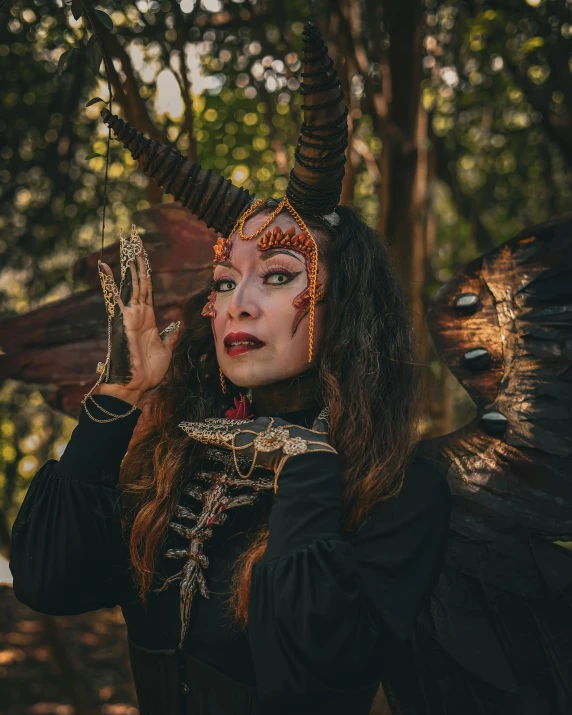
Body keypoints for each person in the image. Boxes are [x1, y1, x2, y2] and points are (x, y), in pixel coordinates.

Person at [10, 23, 451, 715]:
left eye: (275, 276)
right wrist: (118, 397)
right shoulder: (170, 451)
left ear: (346, 308)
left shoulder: (398, 486)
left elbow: (311, 681)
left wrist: (307, 463)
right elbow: (47, 582)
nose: (235, 304)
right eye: (222, 282)